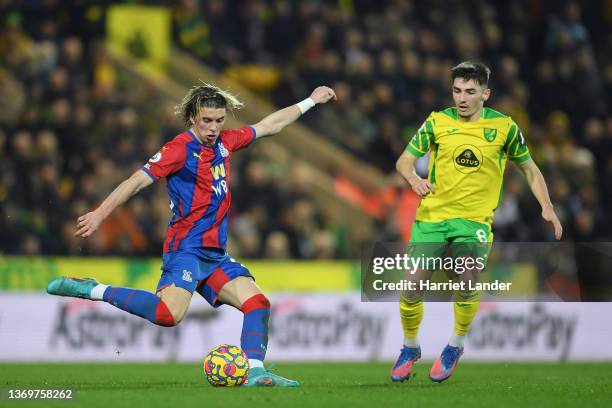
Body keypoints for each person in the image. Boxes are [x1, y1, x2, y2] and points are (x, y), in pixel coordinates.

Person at [47, 83, 337, 387]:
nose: (213, 128)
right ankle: (92, 289)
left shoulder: (226, 143)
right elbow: (135, 182)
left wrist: (310, 101)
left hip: (215, 254)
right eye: (206, 121)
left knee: (258, 303)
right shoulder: (178, 149)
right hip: (185, 250)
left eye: (219, 120)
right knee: (167, 315)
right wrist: (99, 213)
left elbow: (270, 125)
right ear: (192, 119)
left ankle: (256, 372)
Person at [392, 62, 562, 383]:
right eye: (457, 90)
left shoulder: (505, 128)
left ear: (486, 93)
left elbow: (529, 169)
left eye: (470, 91)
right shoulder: (437, 121)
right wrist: (413, 178)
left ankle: (455, 345)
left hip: (473, 222)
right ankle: (410, 347)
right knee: (412, 286)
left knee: (466, 281)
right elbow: (403, 161)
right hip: (432, 218)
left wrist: (547, 207)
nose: (462, 98)